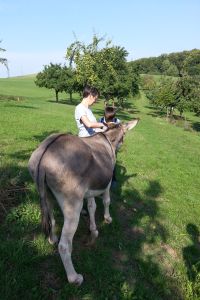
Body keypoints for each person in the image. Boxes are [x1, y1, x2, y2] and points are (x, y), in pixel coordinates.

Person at [99, 106, 121, 188]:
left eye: (112, 118)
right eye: (108, 119)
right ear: (104, 116)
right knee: (102, 162)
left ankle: (113, 179)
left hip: (113, 146)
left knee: (113, 163)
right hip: (103, 145)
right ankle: (102, 179)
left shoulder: (117, 122)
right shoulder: (100, 120)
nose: (110, 120)